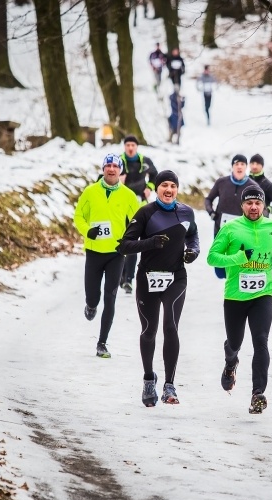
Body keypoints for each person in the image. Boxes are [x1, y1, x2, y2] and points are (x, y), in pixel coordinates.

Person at [116, 170, 200, 407]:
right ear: (157, 188)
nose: (169, 190)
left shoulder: (186, 212)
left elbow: (193, 236)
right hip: (147, 278)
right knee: (149, 330)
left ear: (177, 189)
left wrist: (193, 252)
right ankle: (148, 379)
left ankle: (169, 385)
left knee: (171, 325)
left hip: (176, 277)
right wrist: (151, 242)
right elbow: (124, 246)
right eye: (164, 185)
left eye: (173, 185)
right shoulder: (145, 212)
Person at [206, 185, 272, 414]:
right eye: (249, 203)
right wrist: (239, 257)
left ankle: (257, 394)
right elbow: (212, 257)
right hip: (235, 296)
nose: (254, 207)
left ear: (263, 205)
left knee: (261, 341)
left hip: (263, 294)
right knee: (234, 343)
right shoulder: (231, 228)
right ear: (242, 205)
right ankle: (230, 362)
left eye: (258, 203)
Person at [74, 154, 140, 358]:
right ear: (103, 169)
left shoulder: (128, 195)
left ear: (120, 170)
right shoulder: (90, 191)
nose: (111, 169)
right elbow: (78, 216)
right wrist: (87, 231)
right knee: (93, 296)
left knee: (110, 297)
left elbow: (138, 220)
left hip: (116, 253)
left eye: (115, 166)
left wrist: (128, 239)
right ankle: (91, 305)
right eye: (108, 166)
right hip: (94, 252)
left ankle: (102, 343)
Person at [204, 155, 259, 279]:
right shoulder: (222, 182)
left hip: (241, 232)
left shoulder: (252, 186)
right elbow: (208, 199)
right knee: (220, 271)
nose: (239, 167)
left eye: (242, 164)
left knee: (237, 265)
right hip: (220, 229)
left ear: (246, 167)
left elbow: (261, 208)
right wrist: (211, 212)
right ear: (232, 167)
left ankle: (233, 291)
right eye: (236, 164)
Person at [118, 135, 159, 294]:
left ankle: (129, 279)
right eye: (127, 145)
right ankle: (121, 275)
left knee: (133, 242)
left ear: (136, 147)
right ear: (124, 146)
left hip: (140, 207)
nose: (130, 148)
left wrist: (149, 186)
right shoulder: (118, 161)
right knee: (121, 241)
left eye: (132, 145)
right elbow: (103, 178)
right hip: (121, 207)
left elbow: (155, 175)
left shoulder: (145, 160)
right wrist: (118, 183)